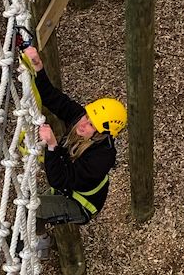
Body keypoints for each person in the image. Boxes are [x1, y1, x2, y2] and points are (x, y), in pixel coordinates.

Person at [22, 47, 127, 257]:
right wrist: (38, 68)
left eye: (91, 124)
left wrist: (52, 146)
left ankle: (41, 243)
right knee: (28, 200)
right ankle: (40, 232)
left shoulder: (101, 158)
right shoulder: (81, 121)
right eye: (87, 116)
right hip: (69, 184)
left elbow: (59, 180)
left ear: (103, 133)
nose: (83, 123)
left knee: (30, 208)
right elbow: (54, 99)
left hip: (80, 203)